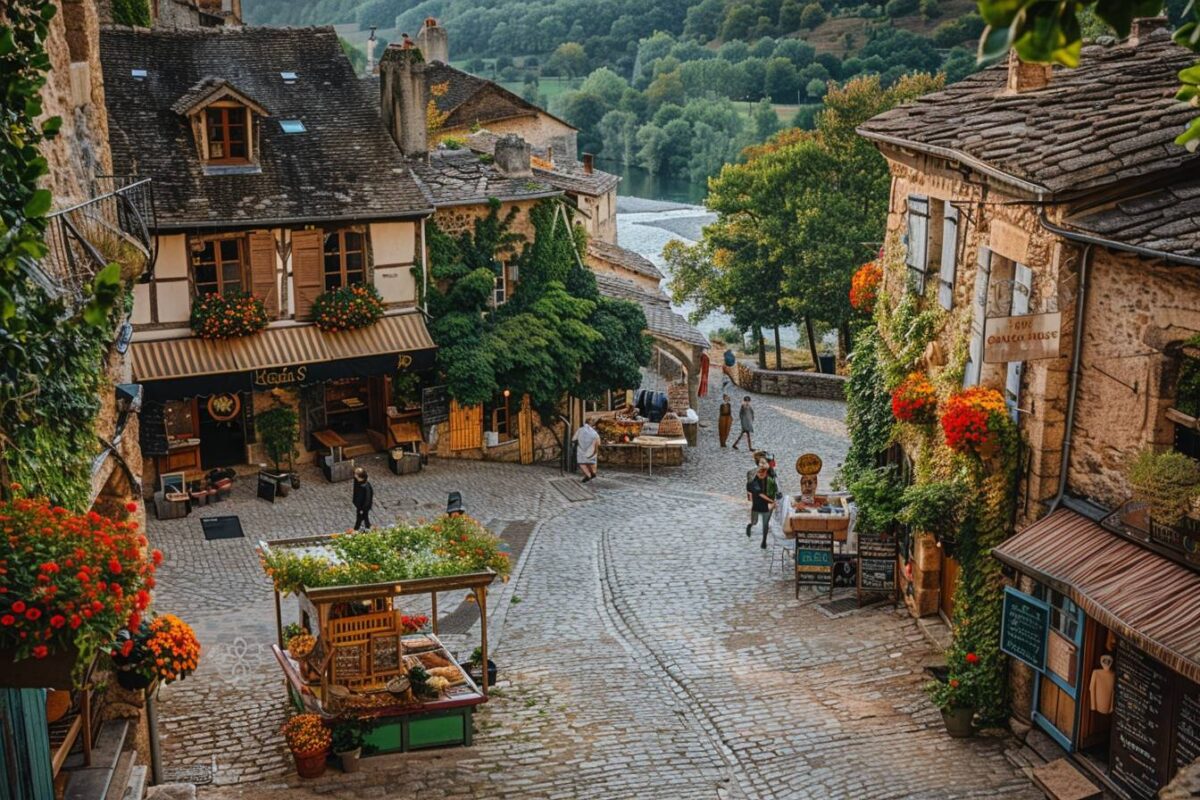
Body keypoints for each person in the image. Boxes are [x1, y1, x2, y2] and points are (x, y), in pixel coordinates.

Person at [745, 460, 777, 549]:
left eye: (763, 472)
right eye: (759, 472)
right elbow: (760, 494)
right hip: (757, 505)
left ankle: (764, 541)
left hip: (767, 507)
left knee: (765, 524)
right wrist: (771, 501)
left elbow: (776, 489)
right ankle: (750, 525)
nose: (761, 474)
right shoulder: (753, 482)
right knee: (754, 522)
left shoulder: (770, 480)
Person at [573, 419, 600, 483]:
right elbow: (598, 442)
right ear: (593, 425)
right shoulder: (594, 432)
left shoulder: (580, 430)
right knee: (592, 462)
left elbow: (573, 439)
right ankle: (593, 473)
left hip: (581, 450)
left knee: (582, 463)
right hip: (591, 450)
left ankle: (588, 475)